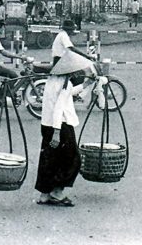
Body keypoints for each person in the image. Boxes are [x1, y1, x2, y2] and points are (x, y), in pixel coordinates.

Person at [35, 51, 97, 207]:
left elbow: (67, 95)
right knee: (73, 159)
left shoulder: (52, 80)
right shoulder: (65, 83)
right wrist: (57, 132)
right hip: (60, 125)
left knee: (49, 159)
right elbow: (59, 107)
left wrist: (84, 85)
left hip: (47, 124)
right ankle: (57, 193)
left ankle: (44, 194)